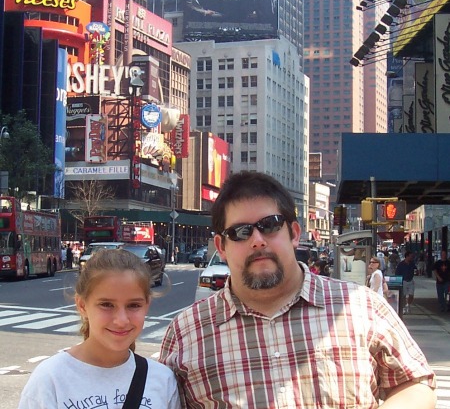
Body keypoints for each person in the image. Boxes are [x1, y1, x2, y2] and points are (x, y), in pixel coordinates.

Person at [159, 171, 436, 408]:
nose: (257, 241)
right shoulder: (187, 332)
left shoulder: (360, 306)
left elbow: (416, 383)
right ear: (221, 247)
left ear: (294, 233)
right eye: (241, 232)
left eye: (269, 226)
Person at [18, 249, 180, 409]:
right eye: (106, 305)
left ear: (147, 306)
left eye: (134, 305)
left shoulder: (162, 380)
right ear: (82, 305)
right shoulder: (50, 379)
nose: (121, 320)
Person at [395, 250, 417, 314]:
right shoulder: (401, 264)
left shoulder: (412, 263)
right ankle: (404, 307)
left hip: (410, 280)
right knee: (403, 295)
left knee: (411, 294)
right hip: (403, 281)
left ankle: (408, 305)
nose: (411, 258)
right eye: (410, 256)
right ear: (407, 256)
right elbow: (397, 273)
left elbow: (415, 269)